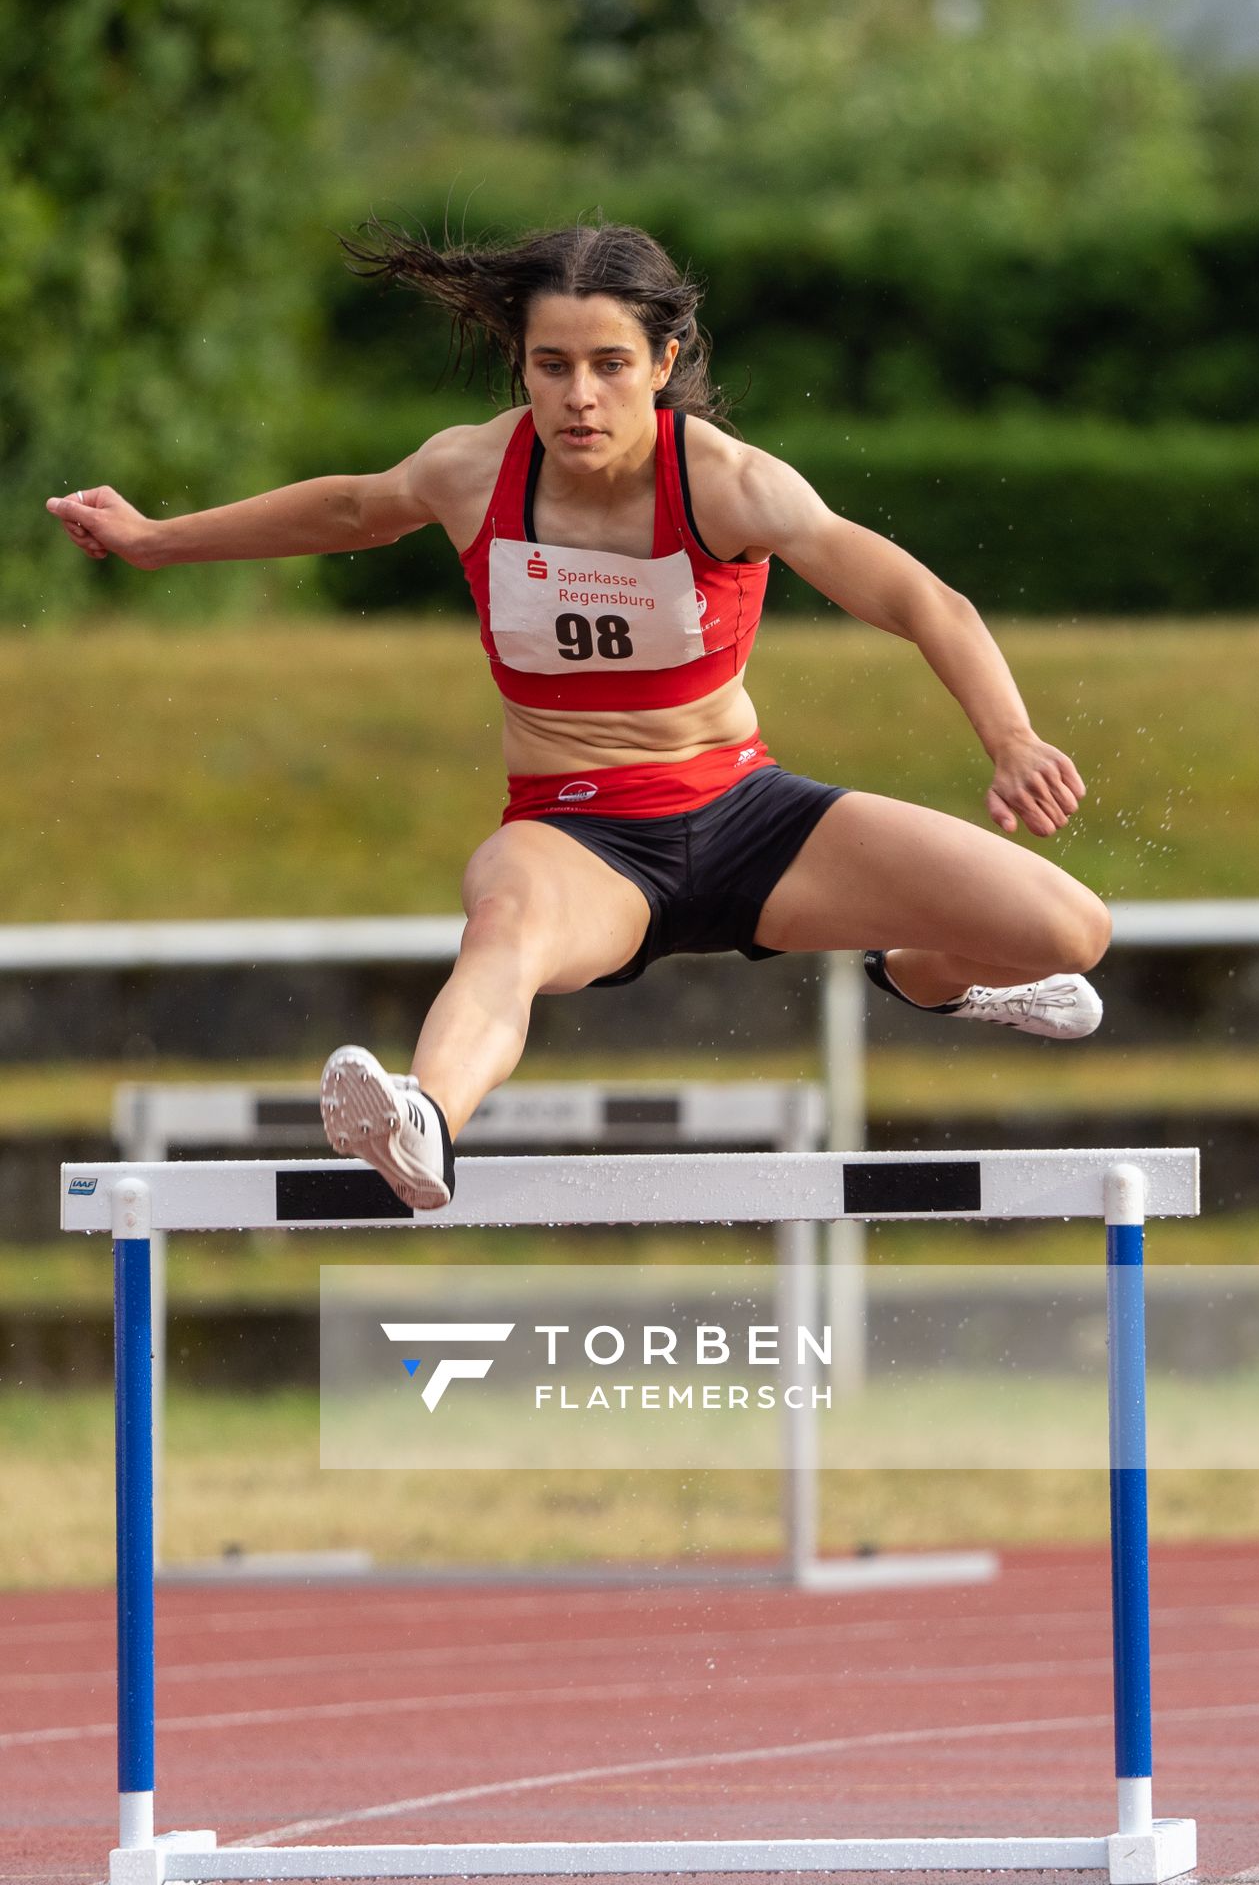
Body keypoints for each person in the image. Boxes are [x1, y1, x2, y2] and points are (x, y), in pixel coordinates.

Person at [46, 218, 1111, 1213]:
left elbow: (924, 601)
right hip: (578, 834)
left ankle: (926, 977)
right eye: (550, 365)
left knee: (1070, 930)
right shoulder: (474, 469)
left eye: (608, 365)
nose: (579, 398)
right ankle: (424, 1123)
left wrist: (1008, 737)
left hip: (746, 815)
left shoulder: (734, 487)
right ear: (520, 364)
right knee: (502, 929)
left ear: (662, 360)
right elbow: (350, 509)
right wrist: (153, 538)